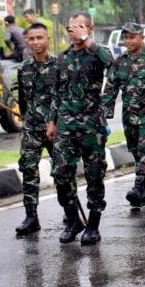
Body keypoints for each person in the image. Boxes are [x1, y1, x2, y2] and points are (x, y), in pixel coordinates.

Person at [47, 12, 113, 245]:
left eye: (80, 26)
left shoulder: (97, 53)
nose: (74, 30)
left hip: (92, 124)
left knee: (94, 174)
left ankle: (93, 225)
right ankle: (74, 218)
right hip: (66, 124)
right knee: (61, 173)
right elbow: (57, 92)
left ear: (90, 28)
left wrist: (87, 41)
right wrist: (52, 121)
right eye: (71, 26)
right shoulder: (62, 58)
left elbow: (111, 64)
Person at [102, 23, 145, 208]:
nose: (128, 41)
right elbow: (110, 87)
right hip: (129, 115)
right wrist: (105, 113)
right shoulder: (120, 60)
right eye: (126, 37)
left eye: (132, 37)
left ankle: (139, 187)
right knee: (138, 152)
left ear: (142, 38)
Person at [14, 23, 58, 235]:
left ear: (48, 39)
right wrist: (26, 121)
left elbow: (65, 98)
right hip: (31, 129)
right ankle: (31, 217)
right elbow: (23, 100)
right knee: (29, 170)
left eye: (40, 38)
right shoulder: (24, 68)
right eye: (31, 39)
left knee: (62, 172)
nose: (36, 43)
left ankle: (70, 213)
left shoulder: (59, 66)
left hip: (56, 129)